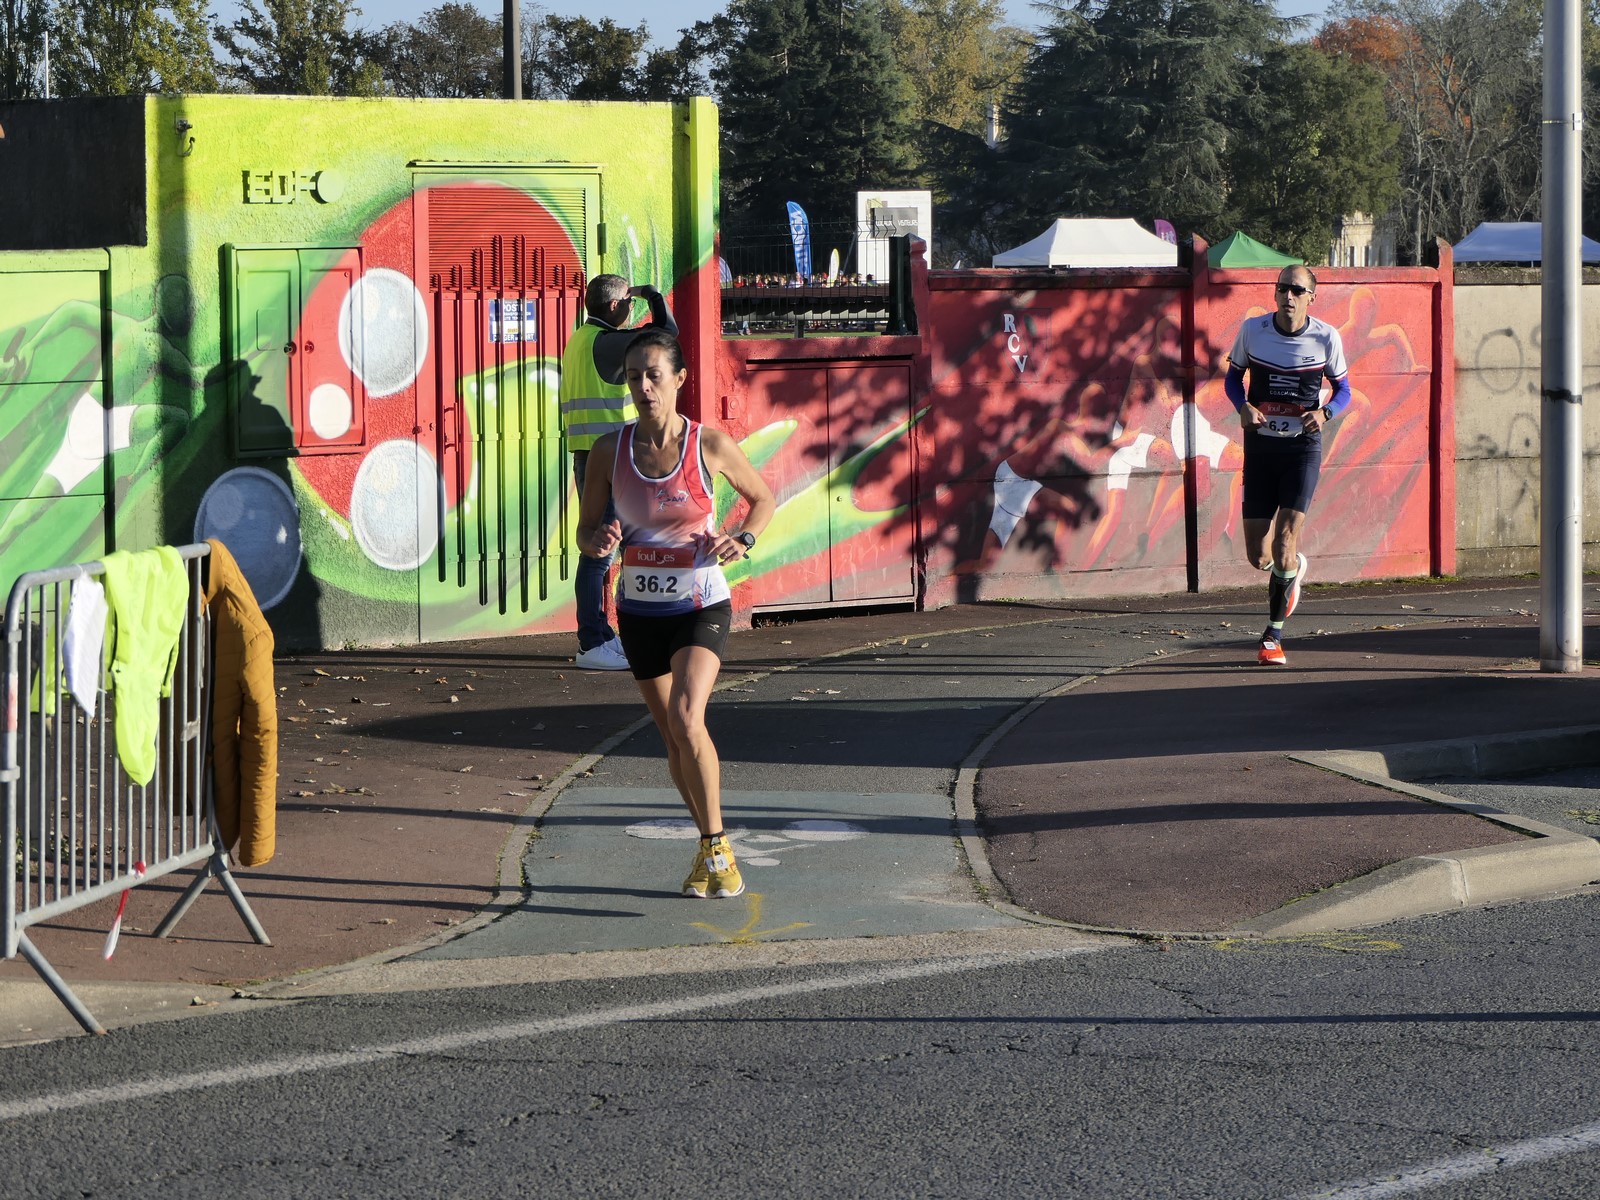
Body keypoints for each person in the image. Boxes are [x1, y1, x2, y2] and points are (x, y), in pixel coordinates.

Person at [577, 331, 776, 898]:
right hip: (639, 610)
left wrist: (743, 538)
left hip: (700, 603)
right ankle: (708, 849)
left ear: (679, 379)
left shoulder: (707, 444)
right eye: (634, 377)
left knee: (689, 719)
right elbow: (585, 531)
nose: (643, 387)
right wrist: (597, 541)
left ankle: (718, 847)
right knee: (672, 738)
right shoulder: (608, 451)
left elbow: (763, 499)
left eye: (654, 375)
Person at [1224, 264, 1350, 667]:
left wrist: (1326, 413)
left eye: (1297, 290)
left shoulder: (1327, 337)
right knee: (1259, 556)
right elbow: (1233, 379)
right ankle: (1293, 569)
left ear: (1312, 297)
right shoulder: (1253, 331)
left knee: (1284, 540)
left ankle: (1272, 637)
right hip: (1261, 449)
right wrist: (1242, 406)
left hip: (1302, 449)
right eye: (1283, 288)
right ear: (1275, 294)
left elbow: (1344, 389)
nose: (1288, 296)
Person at [558, 274, 677, 670]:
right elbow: (667, 336)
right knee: (599, 554)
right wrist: (652, 295)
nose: (630, 307)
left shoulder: (581, 339)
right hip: (610, 460)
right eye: (628, 301)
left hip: (589, 454)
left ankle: (603, 635)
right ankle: (591, 643)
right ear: (613, 306)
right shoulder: (609, 343)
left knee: (600, 549)